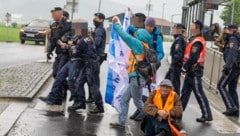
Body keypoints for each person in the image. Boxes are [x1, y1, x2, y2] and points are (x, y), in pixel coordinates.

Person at [109, 16, 151, 128]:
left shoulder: (138, 44)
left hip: (136, 78)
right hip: (137, 78)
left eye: (137, 33)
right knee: (124, 100)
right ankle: (121, 122)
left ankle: (155, 118)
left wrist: (117, 24)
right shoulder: (145, 46)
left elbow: (125, 36)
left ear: (141, 36)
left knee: (138, 102)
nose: (135, 34)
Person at [180, 20, 213, 123]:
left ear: (197, 28)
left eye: (192, 26)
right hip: (191, 71)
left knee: (199, 93)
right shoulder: (193, 39)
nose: (190, 27)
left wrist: (184, 67)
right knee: (185, 93)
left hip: (194, 71)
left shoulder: (197, 41)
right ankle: (178, 113)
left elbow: (194, 57)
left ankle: (207, 115)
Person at [39, 35, 83, 105]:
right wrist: (66, 45)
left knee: (71, 81)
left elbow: (78, 49)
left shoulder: (83, 37)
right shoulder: (74, 34)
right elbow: (68, 47)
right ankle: (52, 97)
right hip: (71, 60)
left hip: (77, 61)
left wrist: (69, 45)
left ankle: (77, 101)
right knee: (59, 76)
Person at [68, 33, 105, 114]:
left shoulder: (82, 41)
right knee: (79, 82)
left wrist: (71, 46)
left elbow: (75, 53)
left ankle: (100, 106)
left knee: (93, 86)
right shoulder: (87, 38)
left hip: (91, 65)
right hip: (88, 64)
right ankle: (81, 103)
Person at [217, 24, 240, 117]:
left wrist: (227, 67)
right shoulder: (234, 38)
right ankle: (236, 109)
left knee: (221, 85)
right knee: (232, 88)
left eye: (227, 30)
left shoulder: (233, 39)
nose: (225, 31)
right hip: (236, 67)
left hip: (232, 67)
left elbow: (232, 54)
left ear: (233, 30)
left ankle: (231, 107)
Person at [85, 13, 107, 104]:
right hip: (97, 56)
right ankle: (92, 97)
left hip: (97, 56)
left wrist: (89, 40)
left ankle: (96, 99)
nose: (94, 19)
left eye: (96, 18)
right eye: (94, 17)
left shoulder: (99, 30)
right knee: (91, 77)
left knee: (92, 78)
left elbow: (96, 43)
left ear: (101, 20)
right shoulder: (98, 29)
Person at [47, 7, 72, 78]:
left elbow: (73, 35)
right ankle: (65, 86)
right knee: (55, 74)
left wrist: (64, 39)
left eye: (53, 15)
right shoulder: (54, 25)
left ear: (60, 15)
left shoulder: (69, 24)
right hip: (58, 53)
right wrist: (49, 51)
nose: (52, 17)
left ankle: (63, 88)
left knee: (60, 74)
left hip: (66, 53)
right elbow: (53, 40)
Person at [165, 24, 186, 95]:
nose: (173, 30)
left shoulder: (179, 39)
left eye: (175, 28)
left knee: (174, 85)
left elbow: (178, 54)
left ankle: (176, 103)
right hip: (175, 65)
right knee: (167, 83)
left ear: (180, 30)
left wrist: (173, 63)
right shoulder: (178, 39)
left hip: (176, 66)